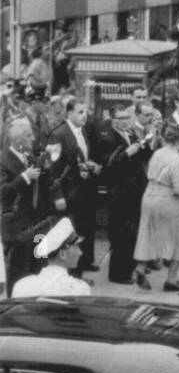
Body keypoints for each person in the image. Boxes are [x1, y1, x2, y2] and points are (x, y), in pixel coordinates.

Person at [132, 124, 179, 292]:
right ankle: (172, 279)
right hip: (167, 200)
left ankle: (140, 267)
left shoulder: (157, 154)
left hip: (149, 196)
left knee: (148, 233)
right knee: (177, 238)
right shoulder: (177, 160)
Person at [102, 103, 156, 284]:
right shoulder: (109, 138)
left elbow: (143, 156)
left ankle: (130, 268)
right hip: (120, 191)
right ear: (112, 120)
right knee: (121, 233)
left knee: (133, 232)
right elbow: (109, 165)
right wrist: (126, 153)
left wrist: (147, 143)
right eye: (120, 118)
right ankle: (118, 273)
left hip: (135, 189)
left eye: (126, 117)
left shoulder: (132, 134)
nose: (125, 122)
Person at [47, 96, 101, 272]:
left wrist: (89, 164)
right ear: (69, 113)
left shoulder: (82, 131)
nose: (84, 116)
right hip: (68, 192)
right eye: (80, 112)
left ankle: (80, 269)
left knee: (83, 230)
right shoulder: (58, 134)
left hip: (83, 190)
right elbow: (51, 169)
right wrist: (57, 195)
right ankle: (70, 273)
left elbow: (80, 159)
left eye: (85, 112)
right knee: (69, 234)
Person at [1, 118, 45, 290]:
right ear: (18, 140)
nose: (33, 139)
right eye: (28, 136)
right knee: (18, 270)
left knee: (36, 267)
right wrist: (25, 177)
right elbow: (3, 191)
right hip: (16, 224)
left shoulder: (29, 156)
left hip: (34, 221)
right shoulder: (3, 160)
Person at [11, 218, 91, 298]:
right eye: (76, 247)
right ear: (63, 254)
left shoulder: (21, 286)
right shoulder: (80, 289)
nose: (80, 252)